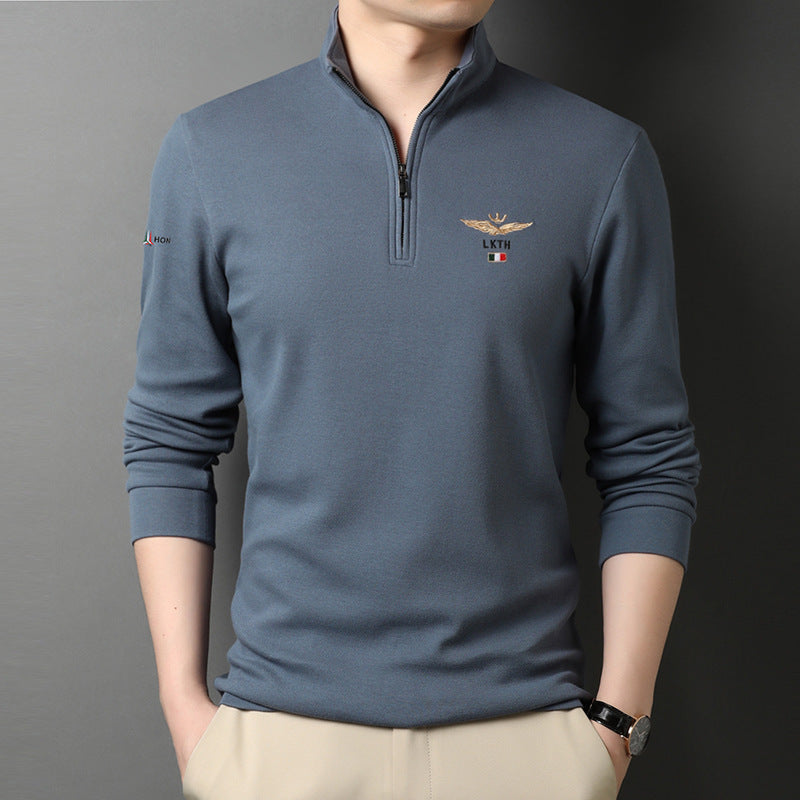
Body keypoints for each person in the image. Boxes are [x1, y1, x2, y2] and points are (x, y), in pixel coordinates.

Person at [122, 1, 702, 798]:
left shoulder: (601, 156)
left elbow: (649, 455)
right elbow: (169, 438)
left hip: (526, 744)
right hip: (279, 743)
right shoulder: (212, 150)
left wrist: (616, 725)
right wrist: (187, 713)